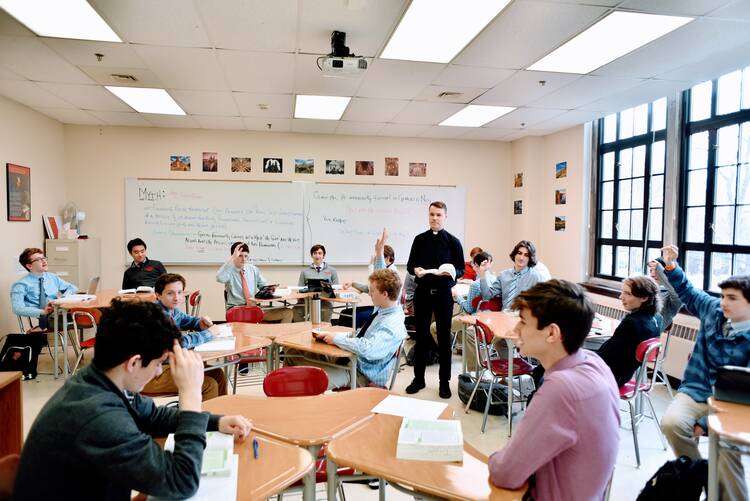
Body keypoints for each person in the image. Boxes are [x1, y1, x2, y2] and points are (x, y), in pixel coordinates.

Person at [12, 300, 252, 500]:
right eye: (158, 364)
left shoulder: (101, 378)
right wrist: (190, 395)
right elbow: (181, 483)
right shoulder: (97, 415)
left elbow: (155, 416)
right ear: (134, 363)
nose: (159, 372)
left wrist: (216, 422)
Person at [488, 280, 620, 500]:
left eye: (522, 322)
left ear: (552, 333)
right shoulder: (595, 363)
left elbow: (505, 474)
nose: (515, 329)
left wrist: (498, 456)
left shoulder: (561, 389)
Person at [658, 245, 749, 501]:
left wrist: (705, 423)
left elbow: (743, 397)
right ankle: (699, 475)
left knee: (726, 449)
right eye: (722, 296)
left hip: (733, 405)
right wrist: (671, 265)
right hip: (695, 390)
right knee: (672, 423)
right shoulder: (712, 310)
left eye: (732, 298)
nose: (723, 302)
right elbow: (688, 291)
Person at [405, 201, 465, 398]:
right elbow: (410, 265)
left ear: (445, 217)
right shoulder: (419, 239)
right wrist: (415, 270)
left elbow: (461, 268)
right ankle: (419, 379)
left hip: (443, 295)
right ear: (428, 215)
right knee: (421, 337)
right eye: (432, 214)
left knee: (443, 338)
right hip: (422, 293)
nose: (435, 218)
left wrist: (452, 273)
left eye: (439, 215)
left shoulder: (454, 242)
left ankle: (444, 382)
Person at [315, 269, 407, 389]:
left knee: (310, 381)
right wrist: (335, 336)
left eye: (372, 291)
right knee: (295, 353)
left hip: (360, 374)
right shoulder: (384, 308)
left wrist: (337, 339)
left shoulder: (391, 323)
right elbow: (361, 335)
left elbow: (368, 349)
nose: (369, 294)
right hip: (352, 359)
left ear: (385, 294)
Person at [143, 273, 228, 401]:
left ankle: (220, 417)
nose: (176, 297)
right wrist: (208, 333)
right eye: (170, 293)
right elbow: (179, 343)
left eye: (180, 292)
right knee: (209, 385)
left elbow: (189, 320)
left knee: (218, 374)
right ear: (158, 295)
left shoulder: (172, 310)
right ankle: (205, 420)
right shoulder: (156, 315)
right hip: (151, 374)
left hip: (170, 364)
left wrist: (201, 322)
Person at [597, 271, 681, 387]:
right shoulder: (657, 318)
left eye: (628, 294)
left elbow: (606, 356)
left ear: (644, 298)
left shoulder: (632, 323)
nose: (621, 297)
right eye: (622, 292)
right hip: (624, 376)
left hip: (609, 377)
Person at [216, 241, 292, 323]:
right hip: (237, 310)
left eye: (246, 256)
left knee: (288, 313)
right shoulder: (229, 271)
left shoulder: (253, 269)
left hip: (255, 309)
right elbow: (219, 278)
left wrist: (276, 289)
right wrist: (232, 258)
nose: (244, 259)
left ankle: (278, 335)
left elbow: (264, 286)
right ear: (234, 256)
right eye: (240, 256)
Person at [11, 247, 78, 329]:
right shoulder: (20, 285)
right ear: (29, 266)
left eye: (44, 258)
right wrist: (43, 312)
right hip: (47, 317)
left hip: (59, 311)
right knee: (84, 316)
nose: (44, 261)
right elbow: (17, 309)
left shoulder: (52, 277)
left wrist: (63, 298)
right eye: (38, 259)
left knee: (88, 312)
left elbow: (73, 288)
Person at [478, 240, 551, 309]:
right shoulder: (503, 275)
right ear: (514, 254)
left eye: (526, 255)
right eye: (519, 253)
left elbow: (543, 303)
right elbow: (486, 296)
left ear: (530, 258)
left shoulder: (536, 277)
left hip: (523, 319)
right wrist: (482, 273)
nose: (521, 258)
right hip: (504, 316)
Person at [294, 244, 340, 322]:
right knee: (294, 312)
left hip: (325, 301)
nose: (317, 256)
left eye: (320, 253)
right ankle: (305, 329)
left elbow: (337, 287)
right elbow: (300, 289)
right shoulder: (305, 272)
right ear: (312, 255)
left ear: (323, 255)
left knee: (326, 312)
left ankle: (323, 332)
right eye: (315, 253)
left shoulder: (332, 270)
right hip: (308, 301)